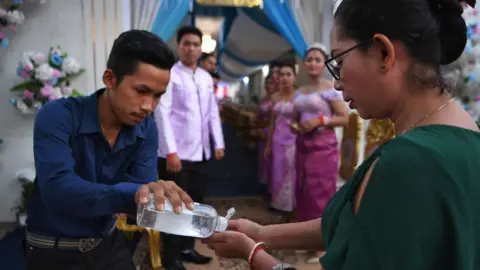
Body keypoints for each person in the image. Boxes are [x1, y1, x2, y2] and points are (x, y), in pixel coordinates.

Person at [203, 0, 480, 269]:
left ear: (384, 53)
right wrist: (263, 233)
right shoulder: (466, 134)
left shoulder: (406, 161)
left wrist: (252, 253)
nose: (336, 82)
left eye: (340, 61)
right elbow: (356, 219)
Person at [25, 30, 194, 270]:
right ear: (110, 79)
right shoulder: (57, 116)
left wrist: (162, 198)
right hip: (52, 248)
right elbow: (57, 189)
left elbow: (141, 198)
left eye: (158, 96)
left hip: (108, 245)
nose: (148, 106)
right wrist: (133, 194)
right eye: (141, 91)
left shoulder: (146, 129)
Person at [154, 25, 225, 270]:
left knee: (195, 204)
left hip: (201, 151)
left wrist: (218, 141)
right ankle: (170, 256)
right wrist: (170, 151)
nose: (191, 49)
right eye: (186, 44)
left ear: (200, 48)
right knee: (175, 207)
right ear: (179, 46)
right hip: (177, 154)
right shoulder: (170, 74)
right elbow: (162, 113)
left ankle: (187, 248)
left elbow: (212, 113)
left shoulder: (205, 77)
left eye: (196, 44)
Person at [291, 44, 348, 263]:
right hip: (302, 146)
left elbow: (344, 118)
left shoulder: (330, 89)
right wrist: (298, 127)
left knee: (320, 194)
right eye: (309, 60)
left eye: (317, 59)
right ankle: (306, 240)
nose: (312, 63)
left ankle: (322, 245)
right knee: (303, 191)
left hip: (323, 148)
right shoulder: (300, 91)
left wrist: (320, 120)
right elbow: (293, 120)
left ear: (324, 64)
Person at [264, 63, 297, 217]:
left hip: (294, 141)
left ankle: (292, 207)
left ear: (294, 77)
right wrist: (268, 145)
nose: (284, 78)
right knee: (277, 173)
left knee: (292, 174)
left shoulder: (299, 97)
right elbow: (272, 123)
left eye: (288, 74)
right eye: (282, 74)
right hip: (277, 140)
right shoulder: (275, 97)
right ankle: (279, 205)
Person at [255, 75, 276, 188]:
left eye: (271, 83)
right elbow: (258, 117)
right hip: (262, 133)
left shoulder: (277, 100)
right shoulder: (263, 100)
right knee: (263, 161)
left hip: (274, 132)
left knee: (274, 163)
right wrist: (258, 129)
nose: (269, 86)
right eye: (267, 83)